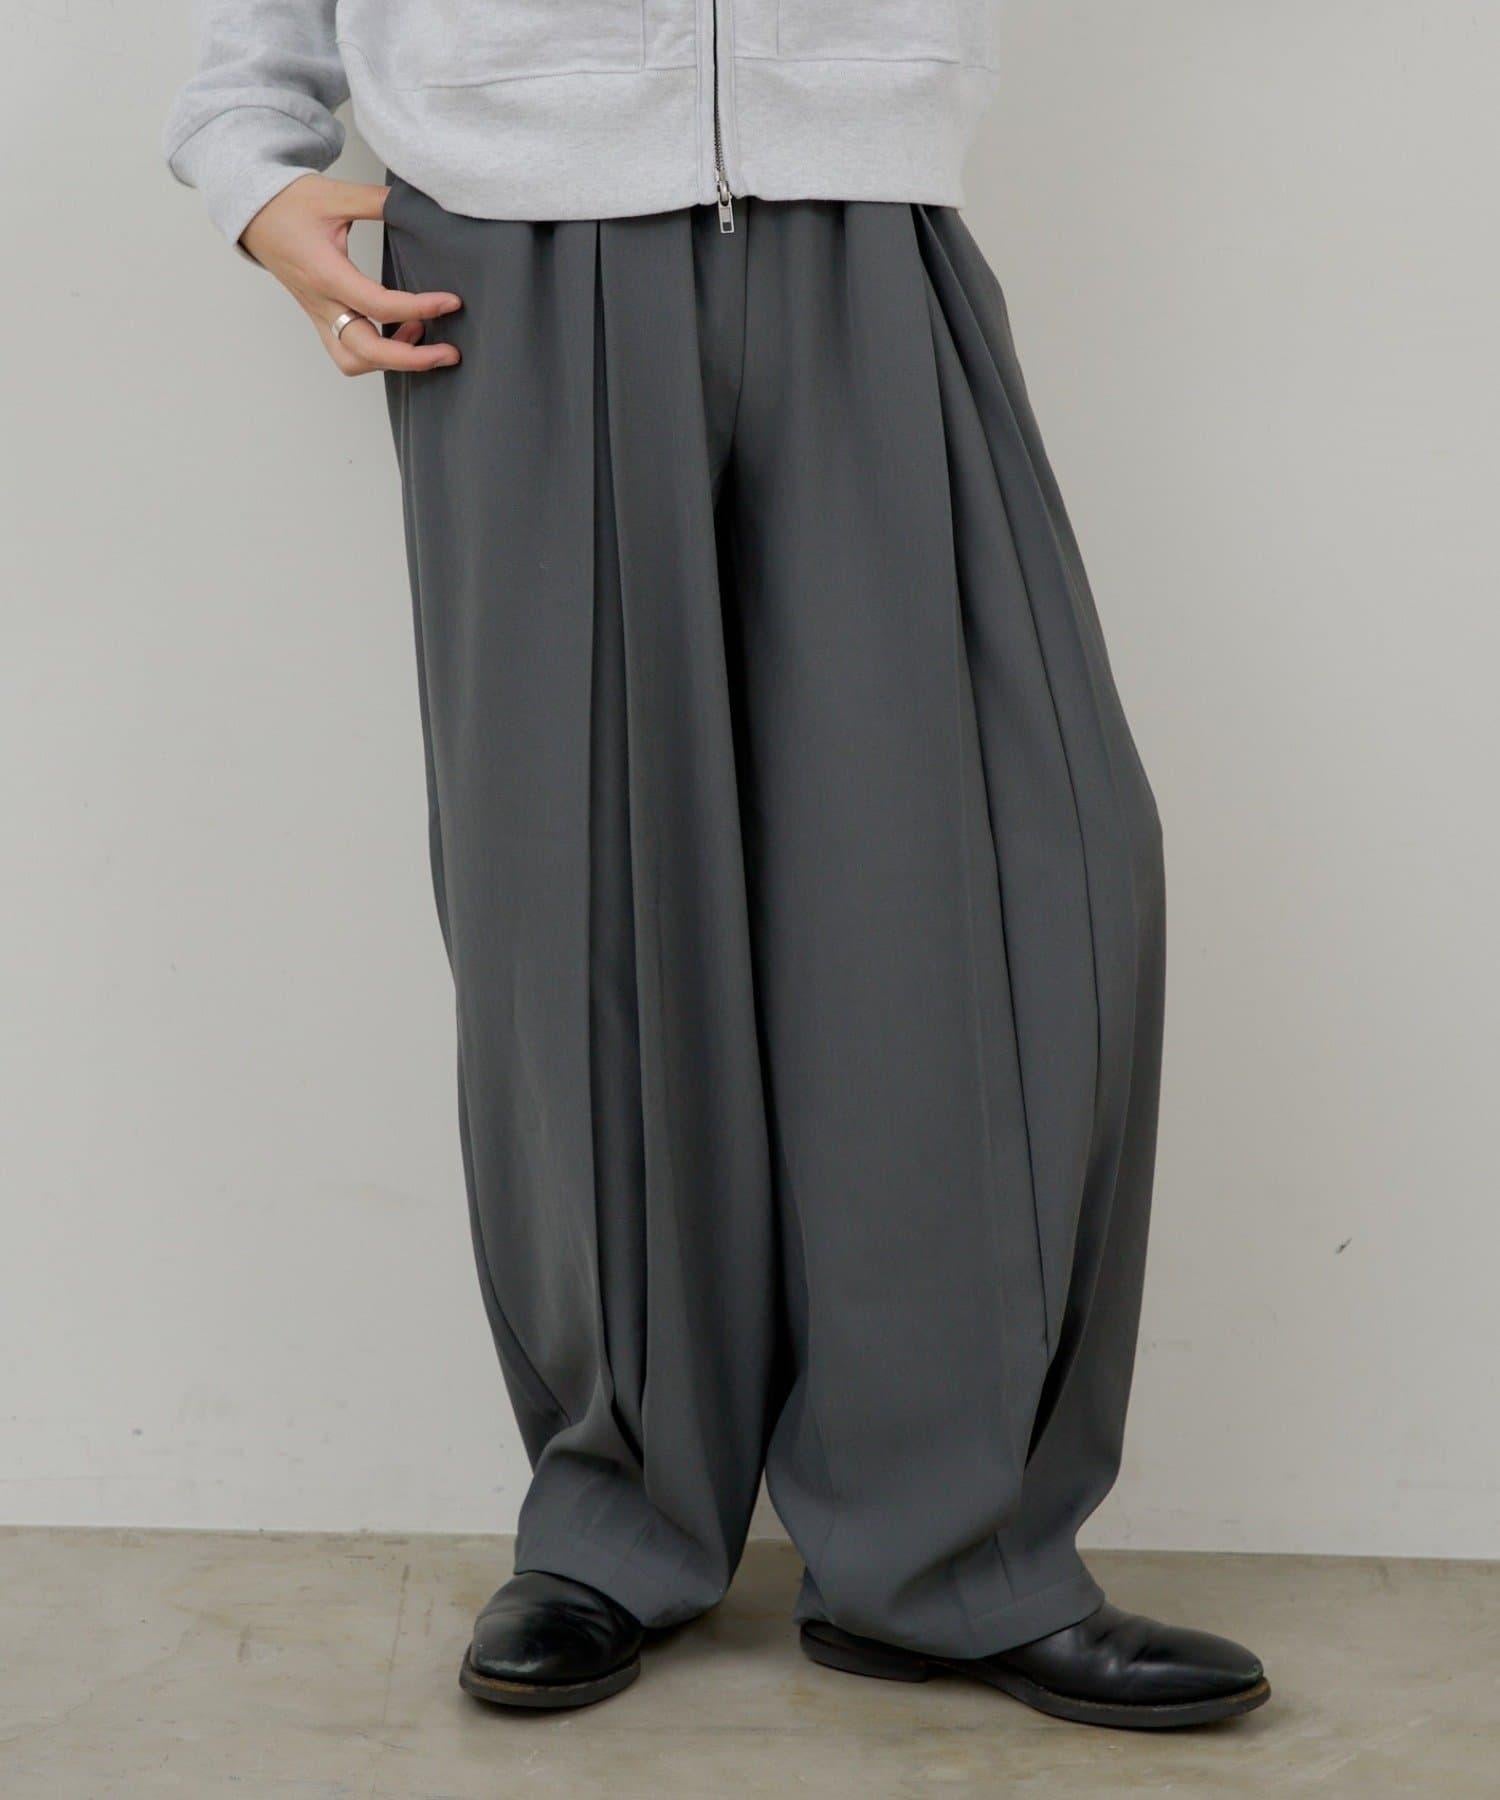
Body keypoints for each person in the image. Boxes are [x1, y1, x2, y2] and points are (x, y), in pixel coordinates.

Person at [164, 0, 1268, 1728]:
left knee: (1010, 882)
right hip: (514, 244)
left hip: (871, 217)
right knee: (579, 900)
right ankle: (617, 1524)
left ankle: (950, 1550)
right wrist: (249, 155)